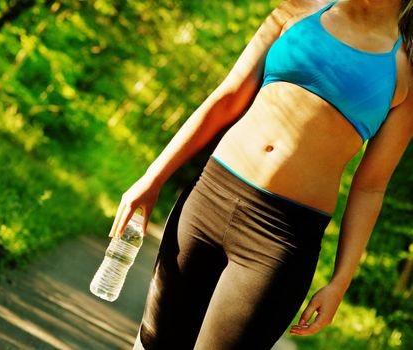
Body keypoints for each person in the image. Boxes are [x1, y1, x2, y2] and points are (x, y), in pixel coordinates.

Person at [108, 0, 413, 348]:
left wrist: (340, 281)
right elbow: (227, 96)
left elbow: (371, 187)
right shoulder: (298, 10)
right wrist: (152, 179)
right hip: (209, 200)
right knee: (153, 344)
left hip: (280, 240)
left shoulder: (404, 70)